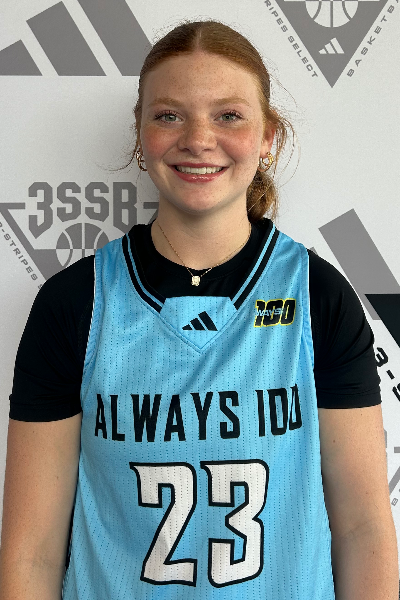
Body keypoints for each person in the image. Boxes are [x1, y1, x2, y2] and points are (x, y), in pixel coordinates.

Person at [0, 19, 398, 600]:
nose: (198, 139)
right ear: (141, 136)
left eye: (228, 115)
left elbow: (363, 530)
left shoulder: (319, 296)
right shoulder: (76, 303)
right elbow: (32, 551)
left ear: (268, 137)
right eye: (169, 115)